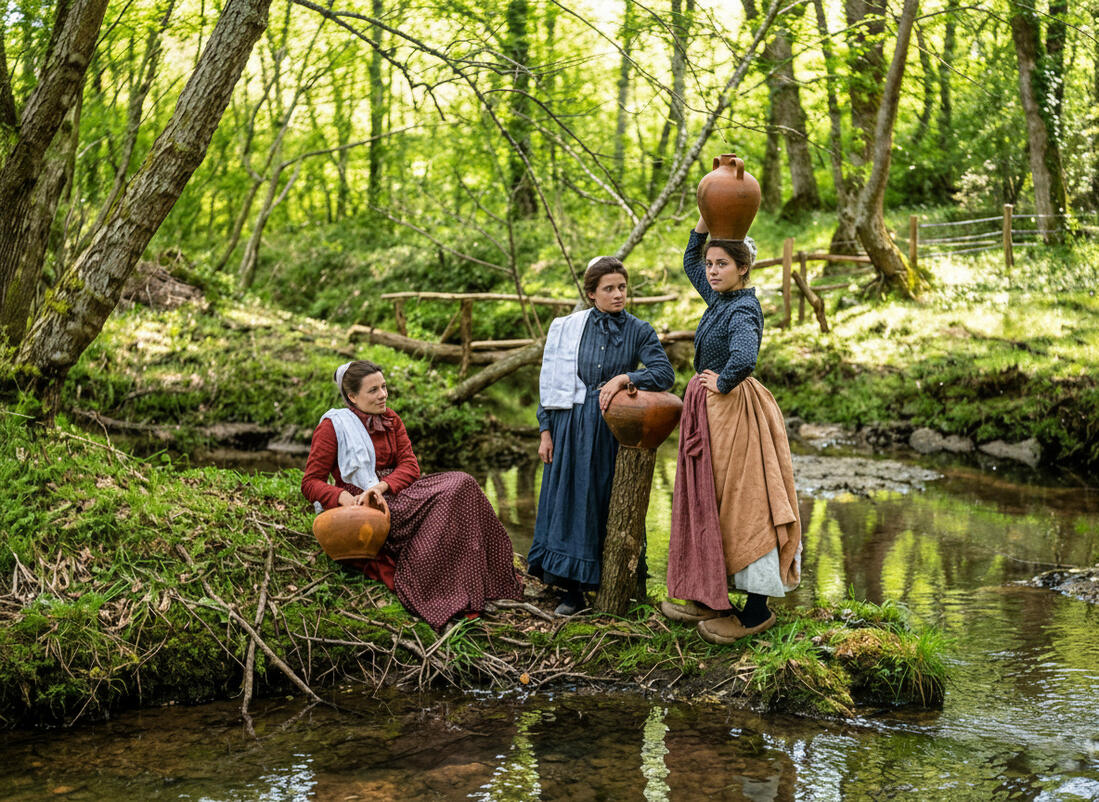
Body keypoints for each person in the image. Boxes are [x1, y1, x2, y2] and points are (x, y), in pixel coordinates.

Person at [302, 360, 523, 631]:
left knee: (462, 484)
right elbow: (310, 482)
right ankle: (438, 591)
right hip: (362, 504)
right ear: (352, 397)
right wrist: (341, 498)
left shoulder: (391, 420)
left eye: (384, 387)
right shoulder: (333, 426)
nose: (383, 394)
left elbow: (410, 466)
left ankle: (475, 583)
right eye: (373, 390)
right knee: (448, 498)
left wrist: (382, 487)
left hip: (394, 491)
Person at [661, 217, 802, 643]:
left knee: (743, 503)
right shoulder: (718, 299)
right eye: (710, 264)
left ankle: (756, 612)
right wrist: (702, 225)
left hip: (734, 412)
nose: (711, 271)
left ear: (743, 268)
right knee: (710, 498)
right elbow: (689, 260)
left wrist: (721, 382)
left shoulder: (742, 307)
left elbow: (745, 357)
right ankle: (710, 596)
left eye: (721, 264)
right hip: (712, 410)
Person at [530, 256, 675, 615]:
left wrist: (626, 378)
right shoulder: (568, 328)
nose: (617, 294)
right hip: (569, 427)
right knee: (567, 503)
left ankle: (612, 584)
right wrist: (545, 430)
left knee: (601, 502)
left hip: (609, 428)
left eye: (622, 287)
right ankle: (571, 591)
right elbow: (551, 382)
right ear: (592, 293)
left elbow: (663, 373)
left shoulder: (639, 330)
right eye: (608, 289)